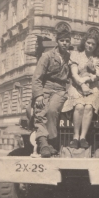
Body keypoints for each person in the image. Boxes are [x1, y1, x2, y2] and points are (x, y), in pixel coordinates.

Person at [32, 29, 71, 158]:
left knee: (52, 110)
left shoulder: (69, 57)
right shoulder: (47, 56)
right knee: (40, 109)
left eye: (67, 41)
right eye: (62, 41)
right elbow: (37, 77)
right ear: (57, 42)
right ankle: (43, 143)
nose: (65, 43)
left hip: (60, 89)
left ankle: (52, 143)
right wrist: (38, 95)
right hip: (45, 87)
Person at [62, 33, 99, 149]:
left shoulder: (98, 57)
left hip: (92, 87)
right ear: (84, 43)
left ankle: (83, 137)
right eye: (88, 43)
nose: (90, 46)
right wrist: (81, 83)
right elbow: (74, 73)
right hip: (76, 86)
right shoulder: (75, 54)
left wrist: (91, 72)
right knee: (79, 106)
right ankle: (75, 137)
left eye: (93, 44)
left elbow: (97, 76)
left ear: (96, 46)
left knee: (89, 107)